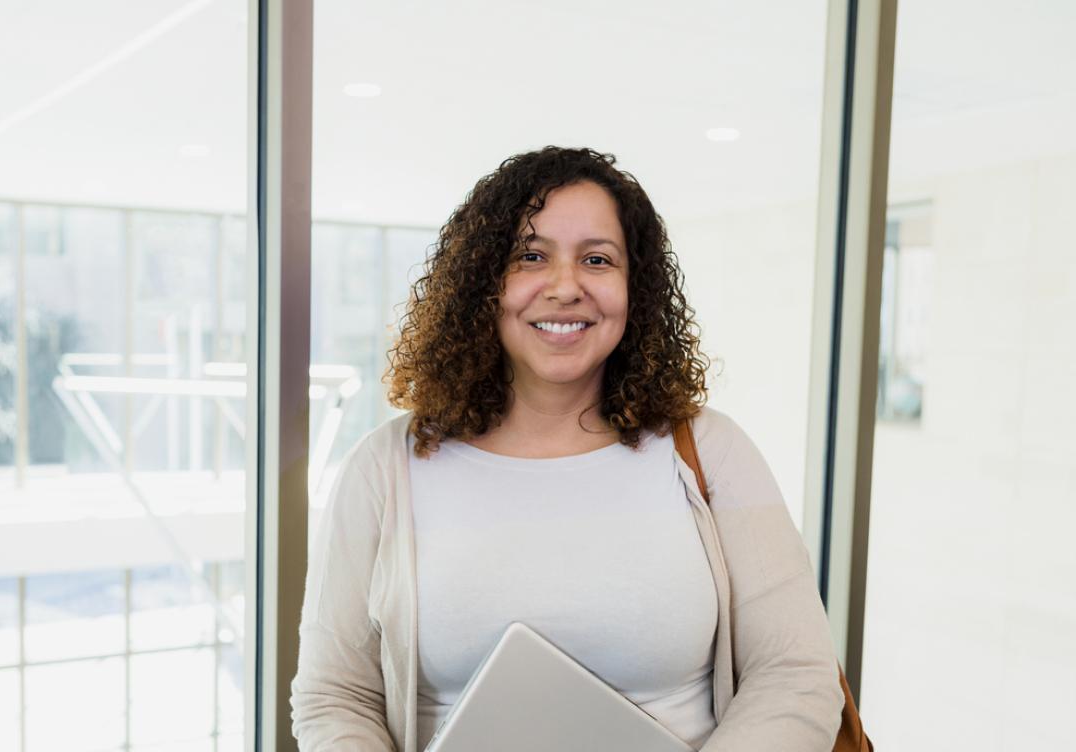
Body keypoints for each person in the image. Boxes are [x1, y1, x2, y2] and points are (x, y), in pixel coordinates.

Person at [291, 146, 844, 751]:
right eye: (531, 256)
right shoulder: (384, 468)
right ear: (484, 281)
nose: (565, 287)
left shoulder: (710, 450)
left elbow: (794, 673)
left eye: (598, 260)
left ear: (635, 289)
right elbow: (334, 696)